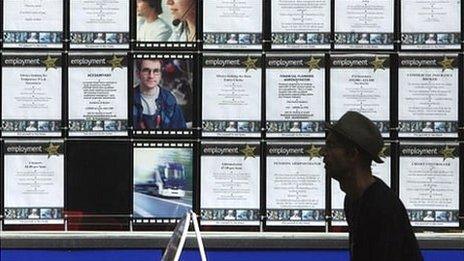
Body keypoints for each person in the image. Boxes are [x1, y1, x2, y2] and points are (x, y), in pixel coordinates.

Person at [324, 111, 422, 260]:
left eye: (330, 146)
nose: (323, 153)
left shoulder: (383, 207)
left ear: (352, 154)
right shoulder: (353, 199)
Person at [133, 59, 186, 129]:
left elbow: (181, 131)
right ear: (138, 73)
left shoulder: (169, 99)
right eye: (146, 71)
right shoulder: (128, 98)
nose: (151, 76)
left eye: (156, 71)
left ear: (160, 74)